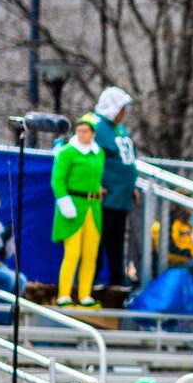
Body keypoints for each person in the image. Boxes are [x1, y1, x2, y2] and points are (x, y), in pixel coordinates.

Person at [87, 87, 140, 289]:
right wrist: (95, 184)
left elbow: (126, 159)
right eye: (122, 108)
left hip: (122, 196)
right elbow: (89, 157)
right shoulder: (97, 127)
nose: (124, 113)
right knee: (101, 237)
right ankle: (93, 277)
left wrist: (132, 186)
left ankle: (117, 277)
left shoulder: (120, 128)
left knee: (118, 239)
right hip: (106, 196)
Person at [50, 117, 106, 308]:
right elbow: (58, 179)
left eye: (86, 131)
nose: (82, 134)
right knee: (72, 253)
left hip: (93, 207)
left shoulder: (99, 154)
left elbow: (96, 178)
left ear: (93, 134)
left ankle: (85, 295)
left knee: (90, 254)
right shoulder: (67, 152)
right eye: (79, 130)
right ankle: (64, 294)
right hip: (73, 207)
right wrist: (65, 203)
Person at [0, 190, 21, 296]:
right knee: (7, 279)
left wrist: (9, 237)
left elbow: (7, 255)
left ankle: (9, 313)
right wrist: (1, 239)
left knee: (21, 280)